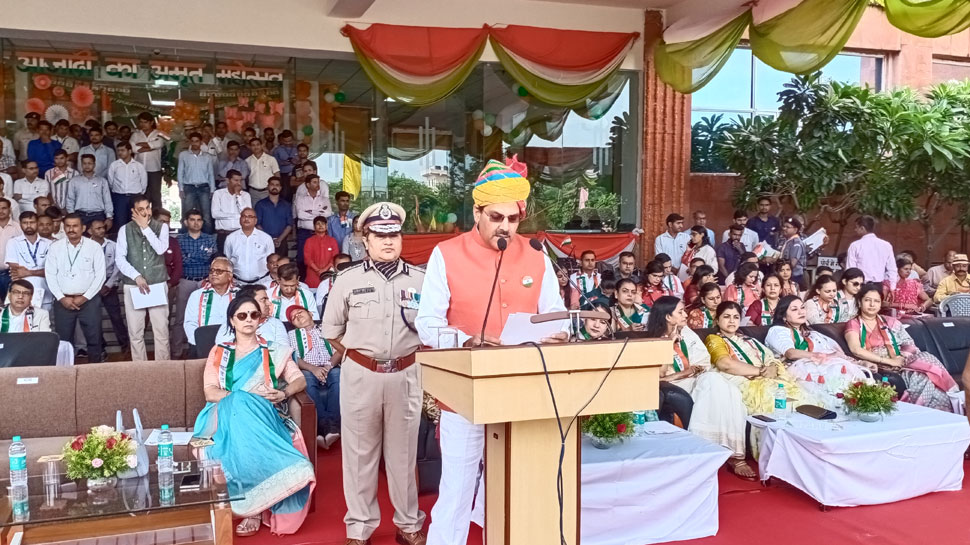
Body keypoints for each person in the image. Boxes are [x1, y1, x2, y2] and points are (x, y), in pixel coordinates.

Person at [416, 157, 567, 545]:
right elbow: (427, 322)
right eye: (496, 217)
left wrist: (559, 333)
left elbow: (556, 317)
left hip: (525, 392)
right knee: (458, 490)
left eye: (512, 219)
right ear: (477, 212)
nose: (505, 227)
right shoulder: (445, 254)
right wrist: (465, 339)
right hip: (465, 395)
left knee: (518, 486)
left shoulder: (536, 255)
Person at [322, 202, 429, 545]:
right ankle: (359, 527)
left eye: (394, 234)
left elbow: (431, 330)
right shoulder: (347, 279)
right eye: (379, 235)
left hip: (406, 374)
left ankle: (408, 523)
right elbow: (331, 331)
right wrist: (361, 357)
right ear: (364, 239)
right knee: (358, 455)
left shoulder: (421, 280)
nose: (387, 241)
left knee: (403, 455)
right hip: (361, 376)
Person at [191, 296, 315, 537]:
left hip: (263, 413)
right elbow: (210, 391)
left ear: (260, 319)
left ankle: (254, 506)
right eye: (242, 315)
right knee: (238, 401)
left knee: (245, 413)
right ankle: (254, 506)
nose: (248, 319)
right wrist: (241, 399)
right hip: (223, 411)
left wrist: (284, 392)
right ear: (232, 320)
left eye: (253, 315)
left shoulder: (274, 350)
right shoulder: (219, 352)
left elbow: (298, 379)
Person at [645, 296, 753, 478]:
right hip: (677, 384)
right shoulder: (653, 341)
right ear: (667, 317)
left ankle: (727, 451)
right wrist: (669, 345)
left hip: (698, 379)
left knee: (728, 389)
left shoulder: (687, 332)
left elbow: (702, 362)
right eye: (680, 312)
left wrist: (692, 371)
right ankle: (726, 454)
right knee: (714, 382)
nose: (685, 314)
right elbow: (659, 375)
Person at [845, 284, 958, 411]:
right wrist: (889, 361)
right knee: (924, 379)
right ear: (859, 303)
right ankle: (922, 409)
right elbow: (856, 350)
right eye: (867, 300)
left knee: (927, 368)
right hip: (880, 365)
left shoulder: (891, 322)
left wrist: (901, 358)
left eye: (876, 301)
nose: (872, 304)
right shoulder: (853, 324)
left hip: (902, 363)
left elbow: (909, 344)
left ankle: (940, 411)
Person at [765, 295, 874, 407]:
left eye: (802, 308)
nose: (800, 312)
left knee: (842, 370)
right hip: (793, 372)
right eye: (794, 309)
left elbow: (834, 353)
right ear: (783, 316)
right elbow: (791, 353)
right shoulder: (777, 331)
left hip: (816, 366)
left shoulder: (812, 334)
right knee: (834, 374)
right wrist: (818, 355)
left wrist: (860, 363)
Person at [116, 194, 170, 362]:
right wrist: (136, 276)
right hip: (133, 285)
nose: (145, 212)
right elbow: (120, 258)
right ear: (133, 211)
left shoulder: (161, 227)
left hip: (157, 282)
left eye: (147, 208)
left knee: (161, 330)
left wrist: (145, 228)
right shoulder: (125, 229)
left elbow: (161, 249)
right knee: (135, 331)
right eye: (141, 209)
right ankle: (140, 368)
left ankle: (164, 368)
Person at [45, 213, 106, 362]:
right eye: (68, 226)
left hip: (89, 300)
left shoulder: (94, 247)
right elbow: (50, 275)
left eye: (75, 226)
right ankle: (65, 374)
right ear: (63, 227)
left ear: (83, 228)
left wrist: (85, 297)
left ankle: (95, 372)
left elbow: (100, 276)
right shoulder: (55, 247)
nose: (71, 229)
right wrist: (61, 297)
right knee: (64, 341)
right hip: (63, 301)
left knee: (94, 338)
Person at [287, 305, 341, 449]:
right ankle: (321, 427)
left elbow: (340, 349)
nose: (298, 316)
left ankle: (333, 427)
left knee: (338, 377)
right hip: (308, 368)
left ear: (310, 313)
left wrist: (328, 367)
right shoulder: (292, 335)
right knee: (307, 381)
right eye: (294, 318)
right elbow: (294, 358)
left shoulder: (327, 328)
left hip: (331, 365)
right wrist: (313, 369)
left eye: (300, 312)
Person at [88, 218, 129, 353]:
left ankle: (125, 344)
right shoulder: (85, 246)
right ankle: (100, 347)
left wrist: (109, 284)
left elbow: (118, 266)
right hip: (91, 285)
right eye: (97, 228)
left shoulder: (112, 245)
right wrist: (94, 285)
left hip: (109, 283)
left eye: (102, 228)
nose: (101, 230)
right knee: (94, 318)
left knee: (116, 316)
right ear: (90, 231)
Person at [183, 256, 237, 355]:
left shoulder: (239, 295)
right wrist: (200, 343)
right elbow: (190, 323)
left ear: (230, 276)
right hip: (202, 346)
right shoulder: (197, 295)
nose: (214, 274)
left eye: (219, 271)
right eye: (212, 270)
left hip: (233, 346)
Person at [5, 211, 52, 311]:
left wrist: (28, 272)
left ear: (37, 223)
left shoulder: (49, 244)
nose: (29, 225)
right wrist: (41, 271)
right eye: (25, 223)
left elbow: (52, 270)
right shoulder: (13, 242)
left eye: (32, 222)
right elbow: (15, 270)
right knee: (20, 325)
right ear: (20, 224)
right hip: (21, 293)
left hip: (45, 292)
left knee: (44, 324)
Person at [177, 131, 216, 233]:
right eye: (193, 141)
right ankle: (184, 240)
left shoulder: (207, 156)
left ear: (201, 142)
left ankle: (208, 241)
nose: (195, 143)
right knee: (186, 214)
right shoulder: (183, 155)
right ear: (190, 142)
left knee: (206, 215)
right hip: (189, 187)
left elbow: (211, 174)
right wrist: (181, 189)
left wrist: (212, 190)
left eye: (197, 141)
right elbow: (180, 172)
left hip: (204, 187)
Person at [224, 208, 274, 285]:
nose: (246, 219)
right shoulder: (231, 238)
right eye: (244, 216)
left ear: (255, 220)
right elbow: (227, 261)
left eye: (250, 216)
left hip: (262, 282)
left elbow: (271, 261)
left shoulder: (266, 238)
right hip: (237, 283)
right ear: (240, 219)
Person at [294, 174, 332, 272]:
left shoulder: (324, 199)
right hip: (305, 233)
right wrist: (319, 214)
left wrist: (310, 212)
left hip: (321, 234)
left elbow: (328, 213)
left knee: (320, 259)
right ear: (307, 184)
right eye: (314, 182)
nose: (317, 184)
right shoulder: (300, 199)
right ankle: (301, 281)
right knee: (302, 259)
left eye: (318, 182)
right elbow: (300, 215)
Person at [846, 215, 897, 289]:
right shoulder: (886, 245)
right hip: (878, 286)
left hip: (860, 285)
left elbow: (851, 269)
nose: (855, 230)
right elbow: (892, 269)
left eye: (856, 227)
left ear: (862, 228)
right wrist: (893, 287)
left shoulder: (855, 245)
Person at [107, 141, 147, 231]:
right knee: (121, 223)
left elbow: (144, 182)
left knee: (136, 222)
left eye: (122, 150)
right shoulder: (114, 165)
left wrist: (139, 196)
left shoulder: (138, 166)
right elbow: (110, 182)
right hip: (119, 197)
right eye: (118, 150)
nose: (120, 153)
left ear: (129, 151)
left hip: (135, 197)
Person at [66, 154, 113, 227]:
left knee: (98, 237)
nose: (87, 166)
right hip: (80, 215)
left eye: (89, 163)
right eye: (84, 163)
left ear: (94, 164)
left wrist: (109, 217)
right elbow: (70, 199)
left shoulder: (102, 181)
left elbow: (107, 200)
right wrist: (72, 215)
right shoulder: (74, 181)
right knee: (80, 237)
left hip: (98, 215)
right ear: (81, 164)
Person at [130, 112, 164, 210]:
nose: (142, 125)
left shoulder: (159, 133)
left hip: (154, 169)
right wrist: (151, 146)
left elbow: (159, 144)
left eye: (145, 122)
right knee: (141, 195)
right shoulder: (136, 135)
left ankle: (157, 219)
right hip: (138, 170)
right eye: (141, 122)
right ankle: (142, 218)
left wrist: (144, 145)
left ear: (151, 122)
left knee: (156, 195)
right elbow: (133, 149)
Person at [212, 170, 253, 250]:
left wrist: (238, 196)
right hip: (223, 234)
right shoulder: (218, 194)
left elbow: (247, 214)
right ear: (227, 180)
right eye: (236, 180)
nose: (239, 183)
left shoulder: (245, 195)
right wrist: (237, 215)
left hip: (240, 233)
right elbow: (215, 214)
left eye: (240, 180)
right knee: (223, 260)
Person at [255, 177, 293, 257]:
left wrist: (279, 239)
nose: (274, 187)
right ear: (268, 186)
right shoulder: (260, 204)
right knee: (265, 267)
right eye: (272, 184)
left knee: (283, 266)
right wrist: (269, 239)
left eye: (277, 185)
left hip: (282, 241)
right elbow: (257, 224)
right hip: (264, 241)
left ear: (280, 188)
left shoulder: (286, 205)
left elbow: (289, 225)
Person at [303, 216, 339, 289]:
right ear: (314, 227)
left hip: (329, 273)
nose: (320, 225)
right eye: (318, 224)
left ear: (326, 226)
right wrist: (318, 270)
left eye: (323, 223)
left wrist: (325, 270)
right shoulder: (309, 241)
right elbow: (307, 259)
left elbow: (334, 257)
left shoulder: (332, 241)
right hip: (313, 274)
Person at [244, 138, 280, 203]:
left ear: (262, 145)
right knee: (255, 212)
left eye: (258, 144)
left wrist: (275, 188)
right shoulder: (247, 161)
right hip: (253, 192)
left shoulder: (271, 159)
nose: (256, 147)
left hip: (267, 191)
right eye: (253, 145)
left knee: (268, 211)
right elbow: (246, 177)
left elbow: (277, 175)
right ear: (250, 147)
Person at [0, 198, 22, 301]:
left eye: (4, 208)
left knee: (10, 305)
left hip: (11, 274)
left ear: (10, 210)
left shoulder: (18, 228)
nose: (1, 211)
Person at [778, 217, 807, 289]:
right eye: (784, 226)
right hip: (787, 276)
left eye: (787, 227)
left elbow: (792, 263)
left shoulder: (796, 243)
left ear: (795, 230)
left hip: (795, 277)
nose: (784, 228)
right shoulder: (788, 241)